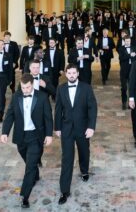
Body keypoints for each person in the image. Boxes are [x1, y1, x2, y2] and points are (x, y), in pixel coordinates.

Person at [1, 74, 53, 209]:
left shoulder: (42, 97)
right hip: (21, 136)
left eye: (28, 87)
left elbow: (48, 117)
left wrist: (49, 135)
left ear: (32, 85)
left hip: (36, 136)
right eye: (23, 88)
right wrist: (5, 132)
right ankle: (35, 173)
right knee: (29, 161)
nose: (25, 90)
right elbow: (10, 115)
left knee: (29, 167)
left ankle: (25, 196)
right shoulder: (16, 96)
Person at [54, 64, 98, 205]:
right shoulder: (61, 88)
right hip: (66, 129)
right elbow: (58, 109)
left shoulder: (86, 88)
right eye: (69, 73)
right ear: (66, 74)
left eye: (74, 73)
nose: (72, 75)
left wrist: (91, 127)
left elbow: (92, 108)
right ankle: (64, 190)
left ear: (78, 73)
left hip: (83, 128)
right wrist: (57, 127)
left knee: (84, 152)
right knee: (67, 158)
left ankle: (84, 171)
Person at [118, 35, 136, 109]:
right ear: (124, 41)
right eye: (126, 41)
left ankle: (131, 103)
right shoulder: (121, 48)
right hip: (124, 71)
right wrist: (129, 55)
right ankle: (124, 102)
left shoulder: (135, 48)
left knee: (132, 88)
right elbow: (121, 58)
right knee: (124, 88)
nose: (128, 42)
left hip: (132, 70)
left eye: (129, 41)